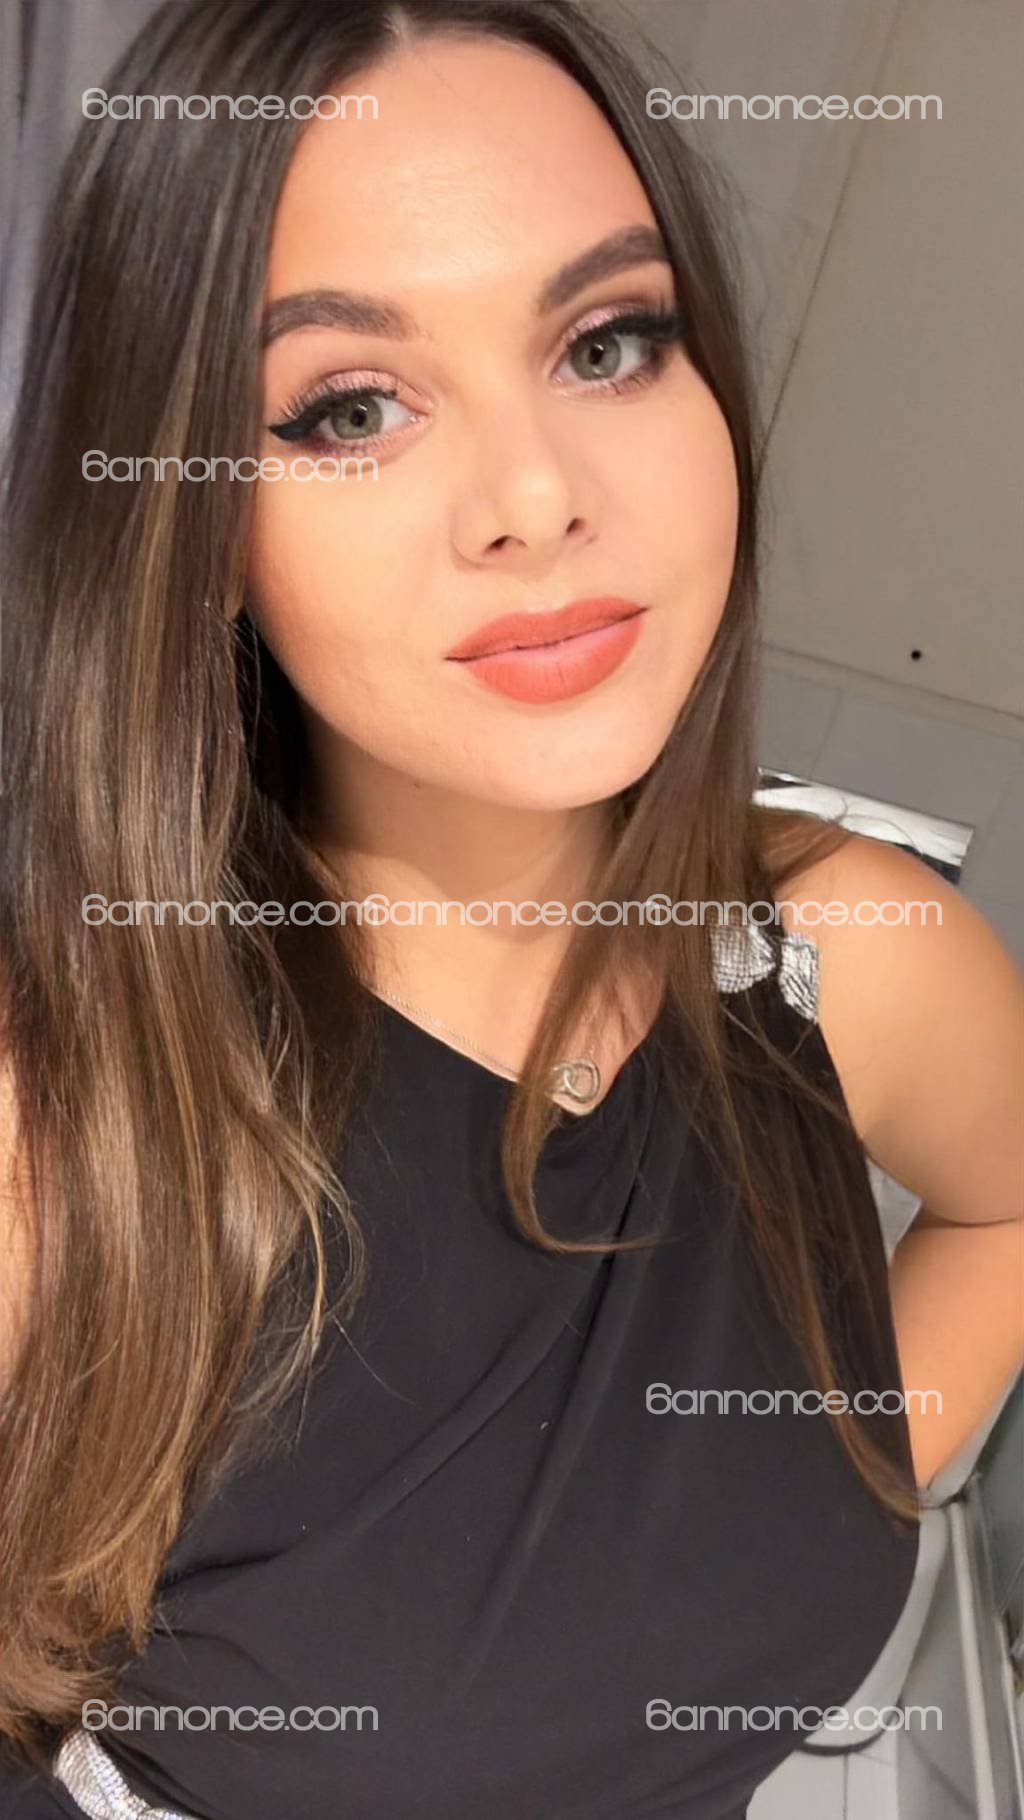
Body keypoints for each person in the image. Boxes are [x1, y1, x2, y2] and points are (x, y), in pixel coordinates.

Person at [1, 2, 1021, 1815]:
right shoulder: (61, 1114)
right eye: (351, 409)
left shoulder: (850, 954)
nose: (539, 497)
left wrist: (833, 1471)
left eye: (607, 342)